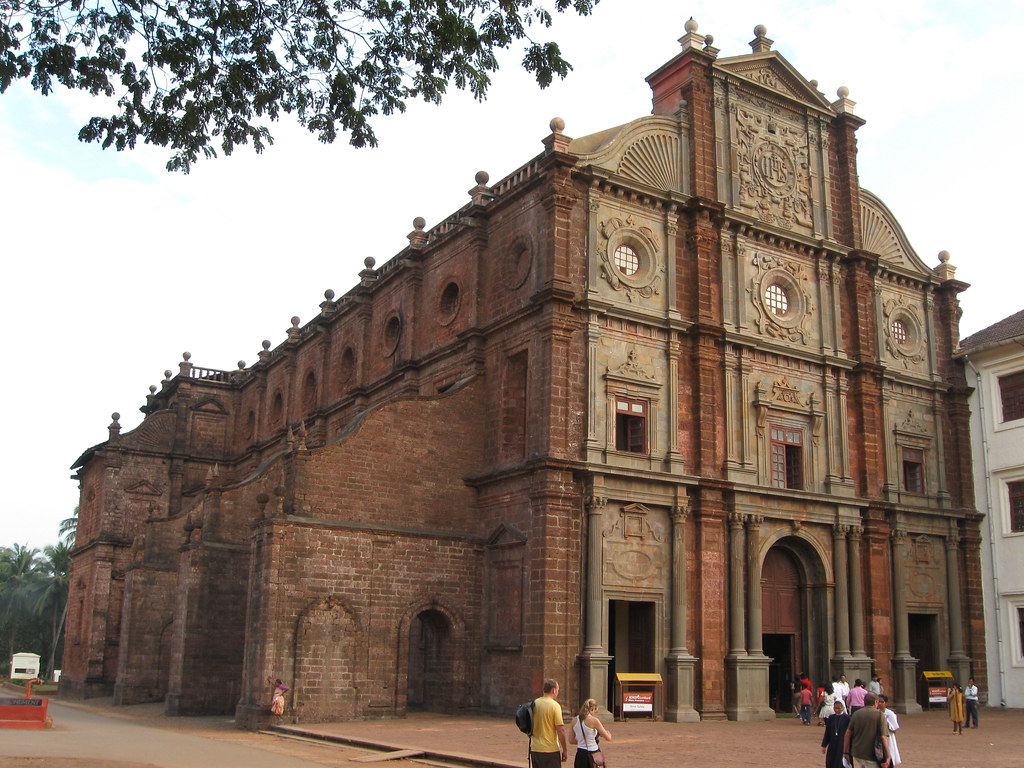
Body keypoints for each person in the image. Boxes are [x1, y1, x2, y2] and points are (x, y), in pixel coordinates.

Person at [843, 691, 890, 768]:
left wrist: (845, 752)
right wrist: (888, 756)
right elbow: (883, 737)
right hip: (872, 755)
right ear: (875, 702)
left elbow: (847, 734)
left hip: (857, 753)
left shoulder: (856, 714)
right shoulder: (880, 715)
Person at [532, 679, 568, 768]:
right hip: (550, 748)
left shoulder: (534, 703)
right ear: (554, 690)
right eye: (558, 690)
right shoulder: (555, 706)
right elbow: (560, 730)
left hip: (535, 747)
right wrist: (565, 749)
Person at [568, 698, 611, 768]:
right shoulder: (594, 720)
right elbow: (608, 738)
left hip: (580, 753)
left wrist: (582, 741)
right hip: (593, 752)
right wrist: (608, 733)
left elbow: (571, 740)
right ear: (592, 709)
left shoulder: (574, 720)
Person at [821, 699, 851, 768]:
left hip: (842, 744)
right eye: (835, 708)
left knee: (840, 763)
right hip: (832, 744)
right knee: (830, 761)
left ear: (843, 708)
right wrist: (824, 745)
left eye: (838, 708)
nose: (836, 710)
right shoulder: (831, 718)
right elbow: (827, 732)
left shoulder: (847, 718)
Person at [876, 695, 901, 765]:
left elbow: (894, 729)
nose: (880, 704)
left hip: (888, 737)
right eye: (878, 702)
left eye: (882, 702)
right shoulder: (876, 712)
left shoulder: (890, 714)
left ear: (886, 703)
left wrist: (885, 721)